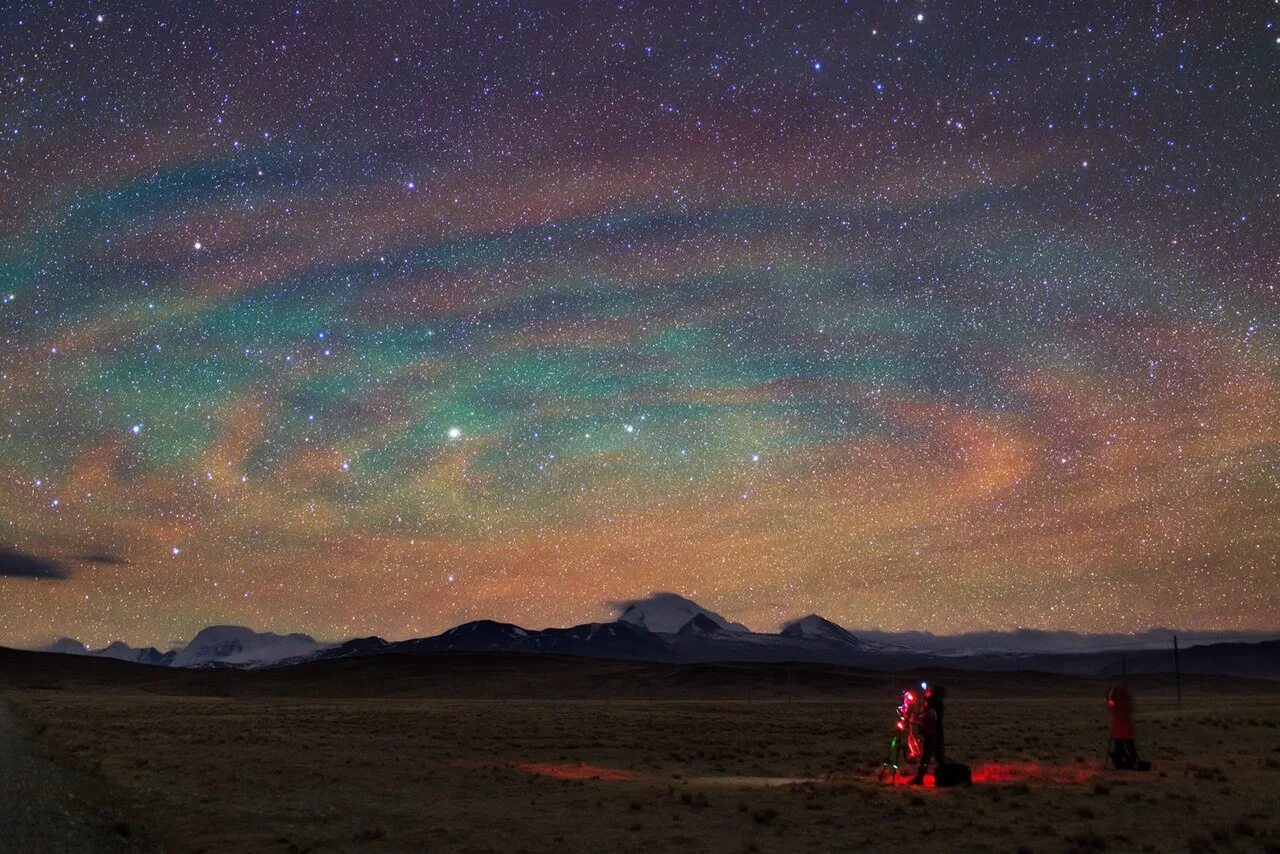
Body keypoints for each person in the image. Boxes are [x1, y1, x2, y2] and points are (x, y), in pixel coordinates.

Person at [909, 685, 946, 784]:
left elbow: (929, 715)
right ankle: (944, 776)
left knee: (926, 756)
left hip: (932, 734)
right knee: (939, 757)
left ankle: (920, 778)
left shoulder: (934, 704)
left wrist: (918, 717)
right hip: (936, 733)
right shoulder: (936, 703)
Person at [1106, 685, 1138, 769]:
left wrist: (1109, 697)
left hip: (1118, 729)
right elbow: (1130, 709)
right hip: (1127, 728)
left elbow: (1110, 706)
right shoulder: (1127, 704)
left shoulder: (1115, 705)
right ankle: (1132, 762)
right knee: (1130, 746)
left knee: (1119, 747)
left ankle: (1123, 763)